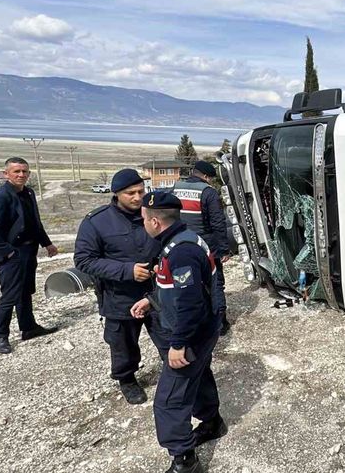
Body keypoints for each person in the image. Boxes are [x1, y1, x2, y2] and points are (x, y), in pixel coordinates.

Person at [130, 191, 226, 473]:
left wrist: (179, 344)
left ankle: (185, 460)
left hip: (192, 332)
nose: (143, 223)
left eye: (144, 219)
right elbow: (179, 289)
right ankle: (212, 422)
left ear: (155, 222)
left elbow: (190, 302)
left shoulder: (181, 250)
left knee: (169, 401)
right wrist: (152, 300)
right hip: (203, 327)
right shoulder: (181, 239)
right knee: (199, 374)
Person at [74, 169, 169, 404]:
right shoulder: (96, 222)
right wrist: (127, 271)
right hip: (120, 296)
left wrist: (162, 265)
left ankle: (174, 373)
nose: (138, 197)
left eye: (141, 191)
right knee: (122, 344)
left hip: (156, 291)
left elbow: (168, 242)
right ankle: (127, 379)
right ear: (116, 194)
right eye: (130, 193)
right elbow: (84, 260)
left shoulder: (153, 213)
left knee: (168, 334)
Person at [0, 157, 59, 354]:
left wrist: (47, 243)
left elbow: (34, 222)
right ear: (6, 174)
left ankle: (29, 328)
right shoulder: (0, 196)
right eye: (16, 171)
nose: (21, 175)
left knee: (25, 292)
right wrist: (8, 252)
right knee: (10, 295)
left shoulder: (29, 193)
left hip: (28, 250)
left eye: (24, 171)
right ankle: (0, 336)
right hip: (10, 253)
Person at [172, 160, 233, 336]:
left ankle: (191, 322)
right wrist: (223, 250)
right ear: (206, 176)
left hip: (180, 246)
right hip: (205, 248)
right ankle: (220, 324)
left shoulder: (176, 188)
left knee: (186, 285)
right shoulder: (208, 192)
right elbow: (218, 223)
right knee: (215, 284)